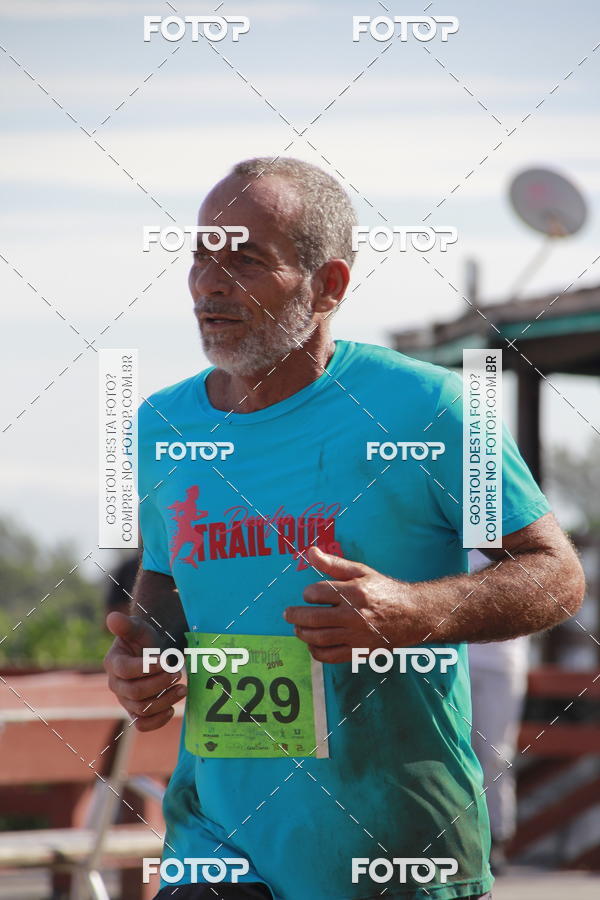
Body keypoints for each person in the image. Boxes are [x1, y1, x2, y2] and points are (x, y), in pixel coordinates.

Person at [103, 157, 584, 900]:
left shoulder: (432, 409)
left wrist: (415, 611)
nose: (209, 283)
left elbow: (555, 574)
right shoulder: (163, 424)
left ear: (328, 285)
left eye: (245, 260)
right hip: (217, 842)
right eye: (201, 256)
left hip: (393, 844)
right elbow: (166, 576)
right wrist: (148, 656)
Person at [468, 552, 529, 875]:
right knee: (448, 749)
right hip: (454, 656)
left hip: (503, 662)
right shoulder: (447, 525)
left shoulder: (521, 534)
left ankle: (496, 838)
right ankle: (457, 838)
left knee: (495, 754)